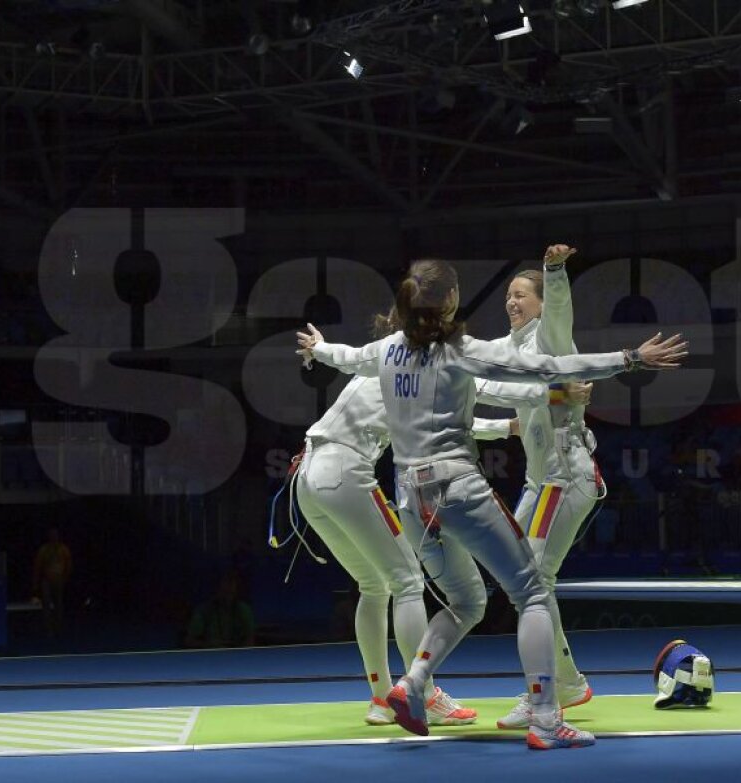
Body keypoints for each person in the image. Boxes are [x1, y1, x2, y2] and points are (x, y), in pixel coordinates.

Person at [298, 257, 686, 750]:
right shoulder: (459, 350)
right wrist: (629, 358)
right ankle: (547, 717)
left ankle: (413, 684)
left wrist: (319, 347)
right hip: (456, 489)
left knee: (466, 601)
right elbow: (544, 366)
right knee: (533, 593)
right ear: (451, 301)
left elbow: (347, 357)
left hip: (411, 499)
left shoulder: (388, 351)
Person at [292, 346, 571, 726]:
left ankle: (380, 698)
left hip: (306, 474)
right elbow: (465, 406)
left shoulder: (375, 367)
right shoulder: (407, 372)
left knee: (372, 585)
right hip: (344, 471)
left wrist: (507, 427)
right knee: (407, 581)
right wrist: (550, 396)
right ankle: (420, 693)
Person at [466, 245, 606, 729]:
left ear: (543, 305)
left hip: (565, 478)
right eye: (508, 294)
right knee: (519, 582)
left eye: (521, 294)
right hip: (538, 485)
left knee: (536, 581)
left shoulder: (551, 338)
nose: (511, 301)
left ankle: (548, 690)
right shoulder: (508, 349)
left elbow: (561, 306)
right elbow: (499, 406)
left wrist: (554, 271)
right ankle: (561, 681)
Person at [184, 572, 255, 648]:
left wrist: (239, 653)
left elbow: (250, 639)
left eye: (231, 593)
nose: (228, 597)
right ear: (216, 590)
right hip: (211, 655)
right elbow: (189, 641)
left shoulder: (244, 609)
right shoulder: (204, 610)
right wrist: (209, 644)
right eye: (225, 592)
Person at [33, 527, 72, 638]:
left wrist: (65, 578)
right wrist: (35, 583)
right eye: (51, 535)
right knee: (46, 606)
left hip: (59, 580)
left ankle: (58, 628)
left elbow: (69, 564)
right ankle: (48, 629)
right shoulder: (44, 549)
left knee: (59, 605)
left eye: (55, 535)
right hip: (46, 581)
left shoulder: (63, 549)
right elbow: (37, 566)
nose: (54, 537)